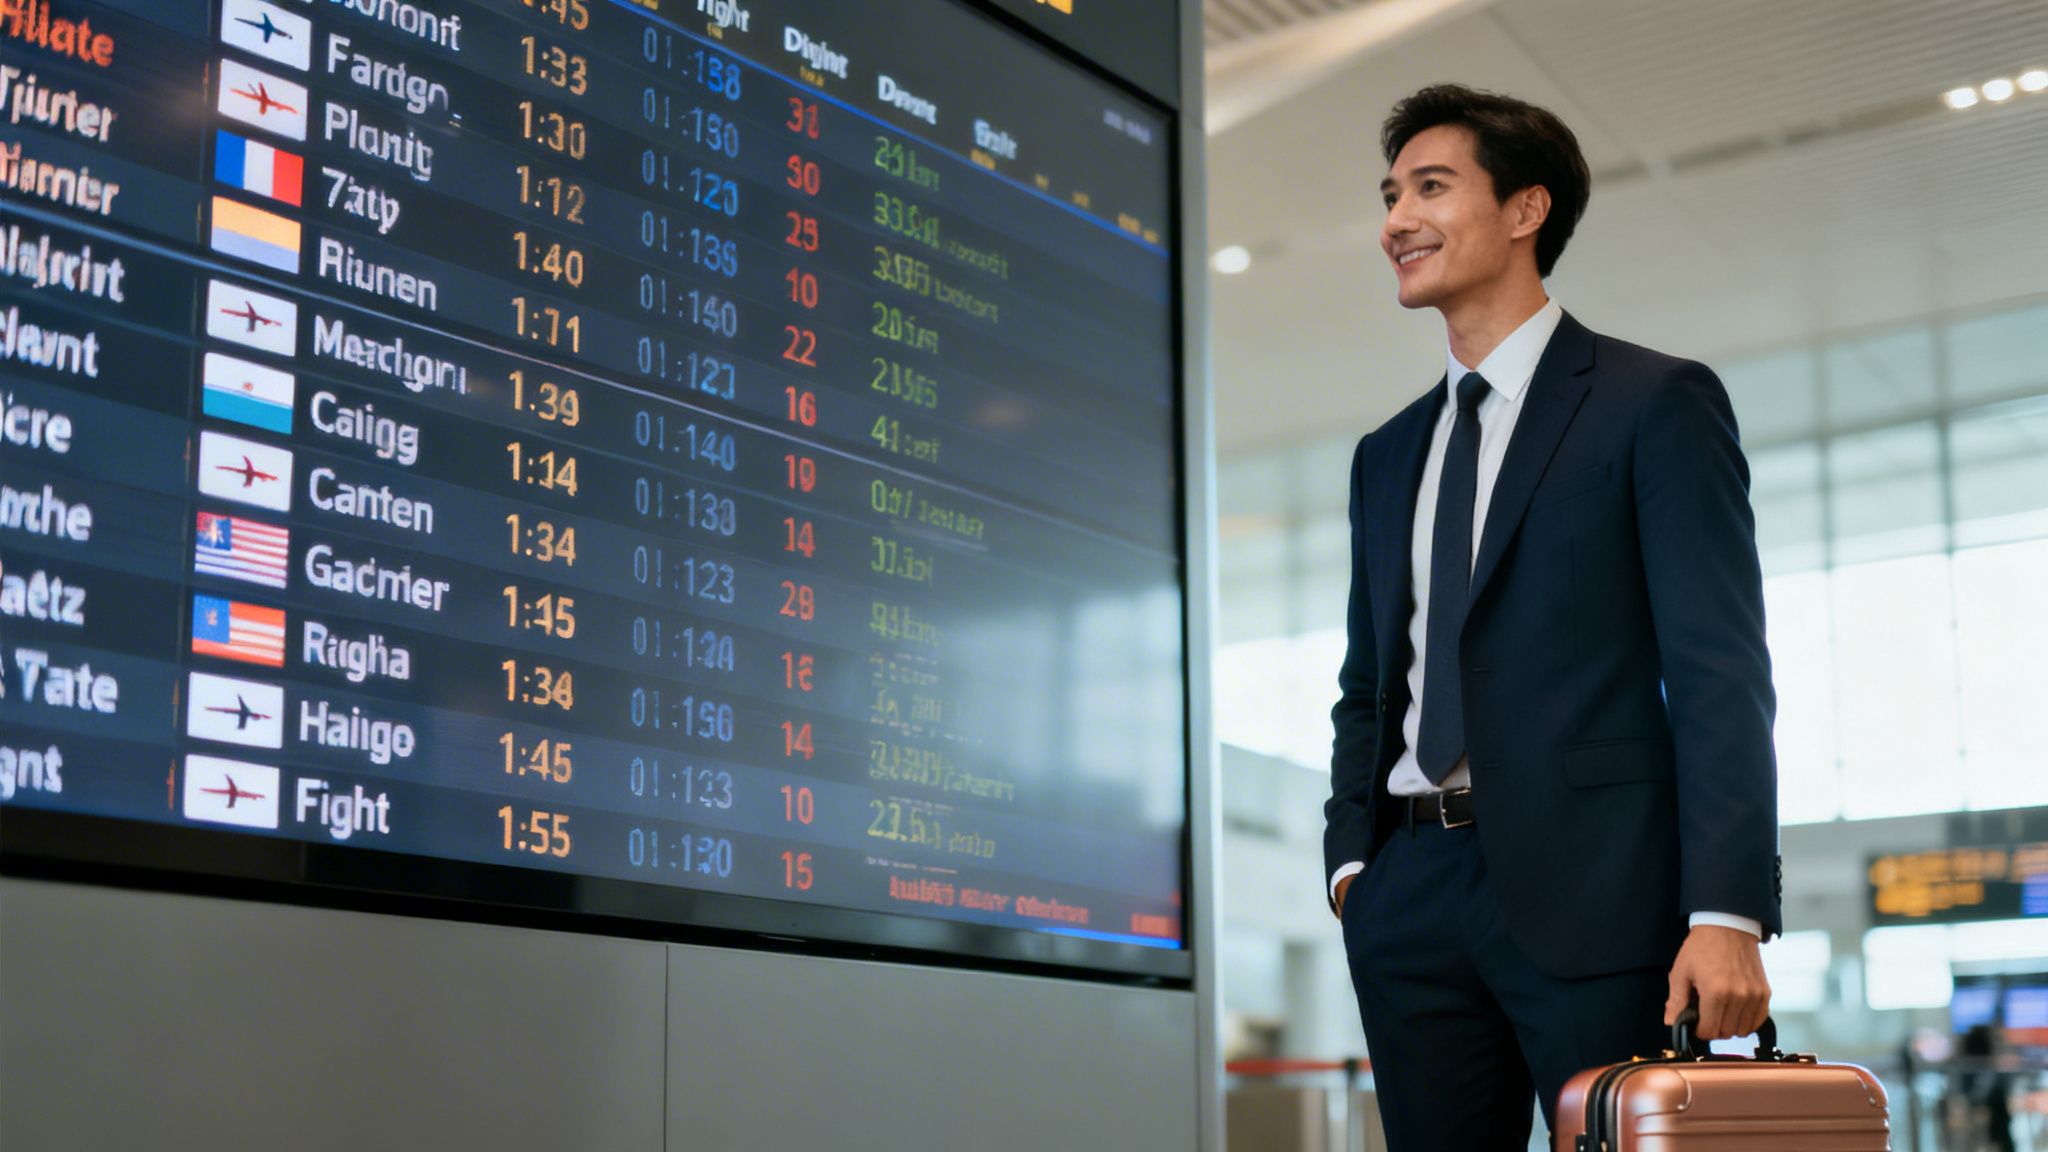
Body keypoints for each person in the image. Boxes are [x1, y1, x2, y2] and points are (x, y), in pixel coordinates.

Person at [1322, 83, 1782, 1150]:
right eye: (1390, 194)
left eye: (1429, 188)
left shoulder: (1651, 403)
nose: (1394, 219)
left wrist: (1724, 913)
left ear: (1525, 210)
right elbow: (1368, 680)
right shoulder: (1385, 455)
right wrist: (1354, 868)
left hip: (1597, 891)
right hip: (1406, 898)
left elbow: (1718, 670)